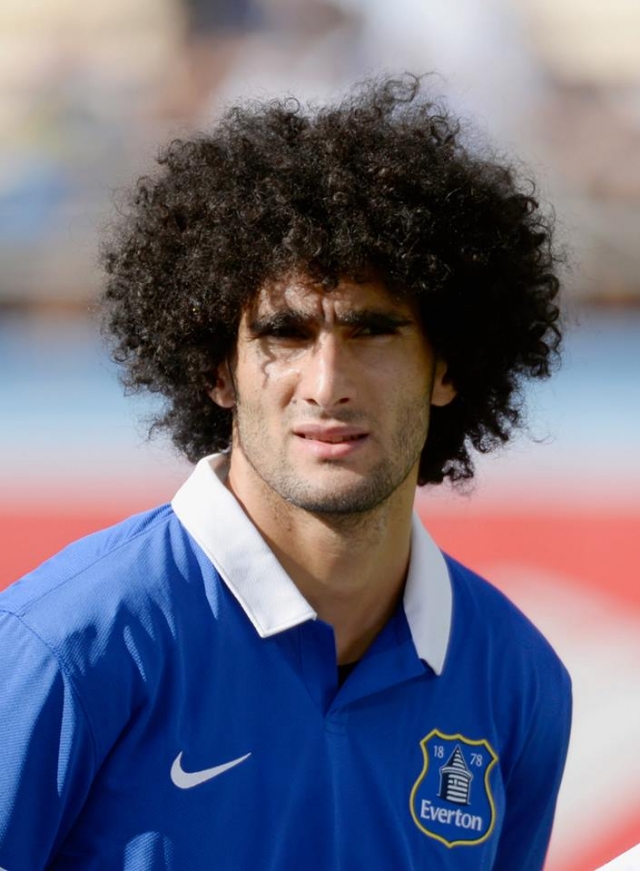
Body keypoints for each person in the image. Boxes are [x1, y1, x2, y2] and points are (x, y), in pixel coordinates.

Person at [0, 75, 571, 870]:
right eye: (285, 333)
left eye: (372, 331)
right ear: (219, 370)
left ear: (446, 366)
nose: (327, 382)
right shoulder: (66, 645)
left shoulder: (518, 679)